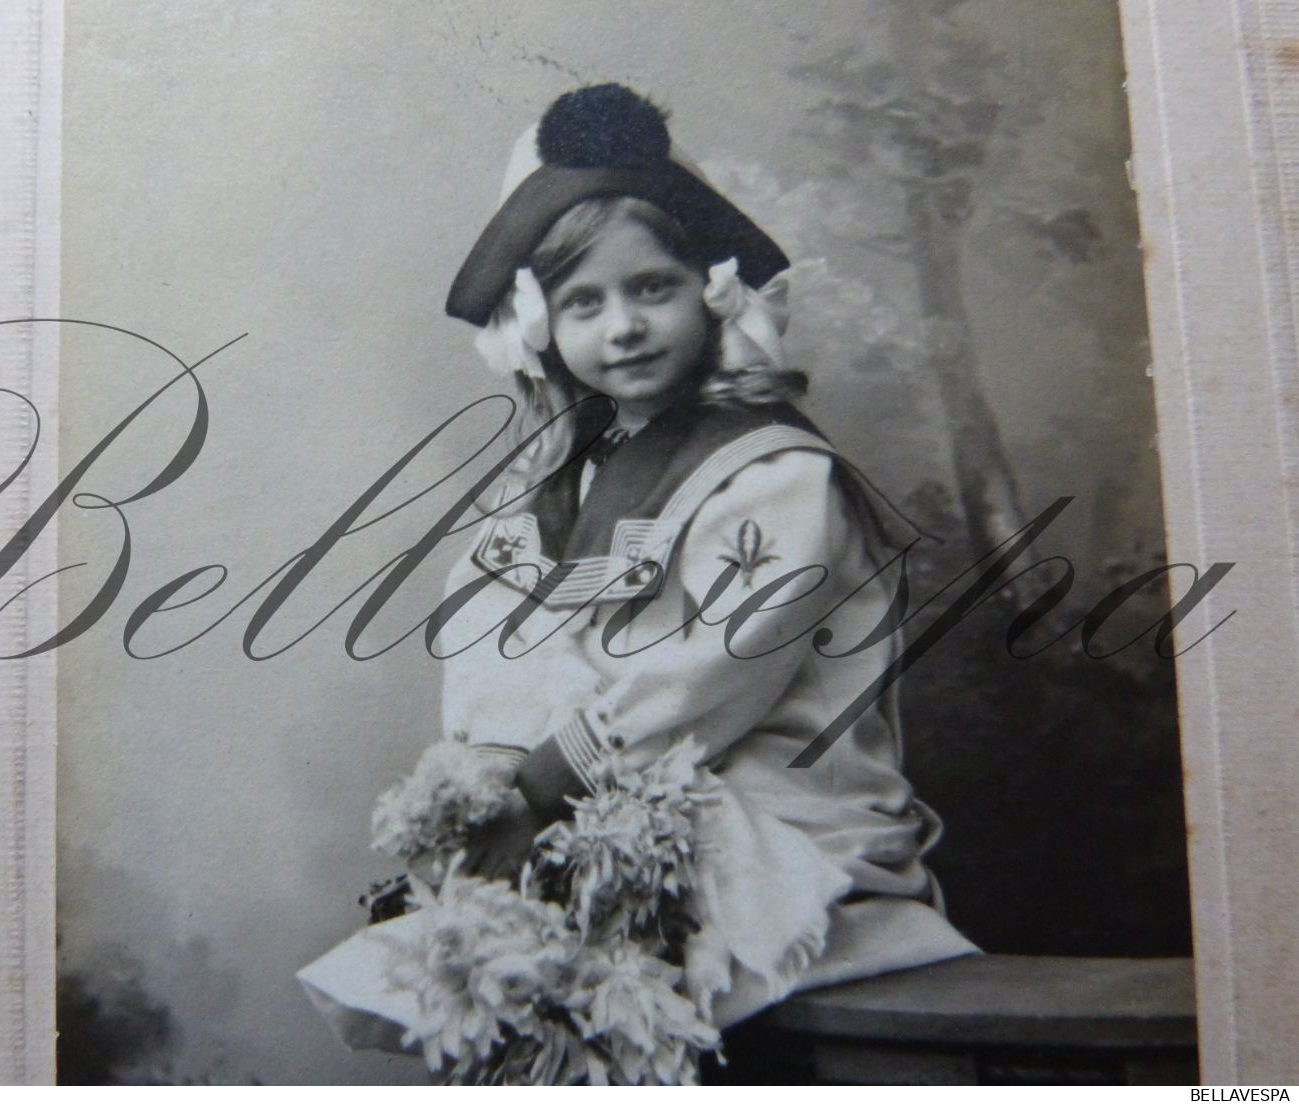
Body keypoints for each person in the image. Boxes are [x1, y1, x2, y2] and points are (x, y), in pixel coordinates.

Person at [300, 82, 976, 1053]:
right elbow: (493, 637)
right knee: (481, 941)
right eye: (584, 302)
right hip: (593, 786)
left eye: (650, 288)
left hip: (761, 790)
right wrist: (489, 782)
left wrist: (540, 787)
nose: (622, 326)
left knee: (600, 934)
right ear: (540, 327)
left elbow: (715, 671)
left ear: (709, 293)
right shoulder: (560, 480)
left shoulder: (772, 470)